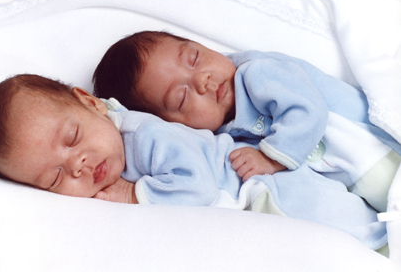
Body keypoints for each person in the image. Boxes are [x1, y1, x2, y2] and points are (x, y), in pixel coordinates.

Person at [0, 74, 387, 251]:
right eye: (54, 177)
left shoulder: (143, 136)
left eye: (73, 138)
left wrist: (134, 193)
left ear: (90, 102)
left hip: (266, 187)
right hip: (249, 209)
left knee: (356, 239)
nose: (78, 164)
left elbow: (198, 187)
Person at [92, 30, 401, 213]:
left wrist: (270, 157)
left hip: (369, 147)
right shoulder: (224, 131)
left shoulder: (256, 74)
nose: (202, 80)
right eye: (181, 98)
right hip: (348, 167)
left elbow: (308, 111)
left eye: (194, 58)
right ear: (177, 126)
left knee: (387, 189)